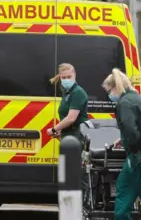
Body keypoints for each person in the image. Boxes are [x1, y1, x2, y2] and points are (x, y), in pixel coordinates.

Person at [102, 68, 141, 220]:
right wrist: (123, 139)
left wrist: (132, 149)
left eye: (108, 91)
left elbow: (131, 129)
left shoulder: (124, 103)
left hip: (138, 155)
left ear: (115, 87)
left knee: (125, 189)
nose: (109, 95)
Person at [47, 63, 90, 202]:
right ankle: (70, 204)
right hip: (68, 136)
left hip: (77, 137)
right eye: (63, 77)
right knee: (68, 173)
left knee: (77, 173)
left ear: (75, 75)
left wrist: (54, 129)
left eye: (69, 76)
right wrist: (61, 133)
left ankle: (81, 205)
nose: (66, 79)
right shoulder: (67, 93)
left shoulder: (78, 92)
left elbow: (71, 118)